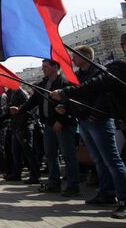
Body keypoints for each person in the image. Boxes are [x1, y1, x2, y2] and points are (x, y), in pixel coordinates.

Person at [50, 35, 126, 219]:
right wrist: (66, 107)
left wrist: (66, 94)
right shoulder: (79, 76)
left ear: (85, 57)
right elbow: (80, 96)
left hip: (99, 120)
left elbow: (96, 91)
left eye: (75, 56)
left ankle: (123, 199)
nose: (72, 59)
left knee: (112, 160)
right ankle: (107, 194)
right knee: (99, 160)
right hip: (84, 121)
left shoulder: (104, 70)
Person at [10, 59, 80, 197]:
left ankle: (73, 186)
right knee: (50, 154)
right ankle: (54, 183)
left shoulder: (65, 83)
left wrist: (60, 121)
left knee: (68, 155)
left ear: (55, 67)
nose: (43, 69)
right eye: (42, 66)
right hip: (48, 125)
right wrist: (20, 109)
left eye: (45, 66)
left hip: (63, 125)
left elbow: (69, 105)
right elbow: (33, 101)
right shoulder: (43, 84)